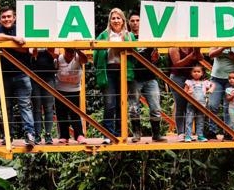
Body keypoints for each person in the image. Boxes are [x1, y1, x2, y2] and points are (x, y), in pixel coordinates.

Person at [0, 7, 37, 148]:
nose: (6, 19)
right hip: (4, 75)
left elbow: (27, 49)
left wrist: (6, 46)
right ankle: (7, 135)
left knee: (25, 105)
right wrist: (13, 39)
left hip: (22, 73)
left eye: (9, 16)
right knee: (6, 107)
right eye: (4, 17)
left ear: (14, 17)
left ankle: (30, 134)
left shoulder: (22, 29)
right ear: (0, 18)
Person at [92, 8, 134, 144]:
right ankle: (108, 134)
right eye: (113, 18)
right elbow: (95, 54)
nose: (116, 21)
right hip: (108, 71)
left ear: (123, 20)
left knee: (122, 103)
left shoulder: (129, 35)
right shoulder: (104, 35)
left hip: (123, 71)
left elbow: (135, 54)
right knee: (109, 103)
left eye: (118, 18)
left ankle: (120, 132)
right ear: (110, 21)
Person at [127, 13, 164, 143]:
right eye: (132, 20)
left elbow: (156, 58)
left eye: (138, 20)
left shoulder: (149, 36)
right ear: (129, 23)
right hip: (134, 77)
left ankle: (156, 134)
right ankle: (136, 134)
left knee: (155, 107)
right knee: (133, 107)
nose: (135, 23)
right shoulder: (127, 37)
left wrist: (157, 57)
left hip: (150, 76)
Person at [205, 46, 234, 138]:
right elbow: (211, 54)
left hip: (232, 79)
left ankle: (229, 131)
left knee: (228, 106)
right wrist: (222, 48)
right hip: (216, 78)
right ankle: (212, 130)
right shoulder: (218, 41)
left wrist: (233, 57)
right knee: (212, 104)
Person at [54, 48, 87, 144]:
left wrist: (79, 51)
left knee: (75, 112)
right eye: (68, 52)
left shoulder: (78, 57)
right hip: (60, 89)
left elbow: (85, 60)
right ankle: (64, 136)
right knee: (61, 113)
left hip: (74, 89)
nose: (70, 54)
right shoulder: (59, 58)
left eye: (72, 52)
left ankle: (79, 135)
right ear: (65, 51)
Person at [168, 45, 200, 140]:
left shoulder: (192, 45)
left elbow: (200, 58)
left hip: (191, 78)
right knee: (180, 105)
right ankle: (181, 133)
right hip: (177, 78)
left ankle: (188, 133)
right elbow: (177, 64)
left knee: (190, 106)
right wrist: (190, 56)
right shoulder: (174, 47)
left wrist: (197, 50)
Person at [30, 47, 57, 144]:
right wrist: (34, 52)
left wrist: (50, 50)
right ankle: (37, 135)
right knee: (36, 107)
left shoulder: (51, 40)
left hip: (49, 77)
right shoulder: (32, 40)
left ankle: (48, 134)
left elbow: (57, 55)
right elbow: (29, 54)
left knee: (48, 107)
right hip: (34, 77)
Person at [184, 65, 214, 142]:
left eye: (198, 71)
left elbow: (213, 85)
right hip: (191, 104)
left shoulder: (205, 82)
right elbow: (184, 92)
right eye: (194, 71)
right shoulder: (189, 82)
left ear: (202, 73)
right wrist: (188, 93)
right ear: (191, 73)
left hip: (201, 105)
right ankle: (188, 136)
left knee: (200, 120)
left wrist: (211, 89)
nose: (196, 73)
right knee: (189, 120)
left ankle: (200, 136)